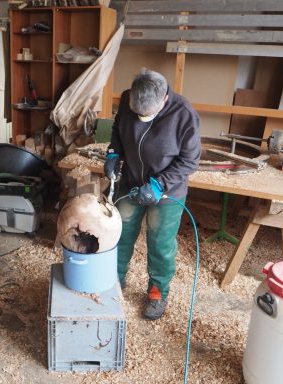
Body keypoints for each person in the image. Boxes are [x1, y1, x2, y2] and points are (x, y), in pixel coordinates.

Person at [104, 68, 201, 320]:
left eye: (145, 115)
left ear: (164, 100)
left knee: (160, 242)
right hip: (132, 181)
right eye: (136, 113)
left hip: (166, 191)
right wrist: (114, 153)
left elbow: (190, 160)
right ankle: (113, 279)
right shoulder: (128, 100)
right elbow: (118, 129)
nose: (139, 117)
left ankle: (158, 292)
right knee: (119, 231)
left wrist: (160, 184)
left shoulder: (184, 114)